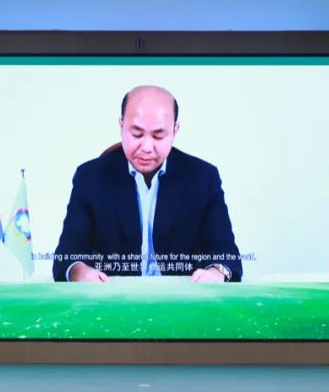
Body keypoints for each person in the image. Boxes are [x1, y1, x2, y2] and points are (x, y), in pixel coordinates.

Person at [53, 85, 242, 283]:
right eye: (136, 134)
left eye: (158, 136)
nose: (146, 147)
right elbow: (67, 255)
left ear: (175, 130)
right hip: (113, 296)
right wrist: (79, 272)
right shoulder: (90, 177)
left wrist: (215, 273)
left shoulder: (203, 177)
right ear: (121, 126)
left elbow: (226, 253)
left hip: (180, 297)